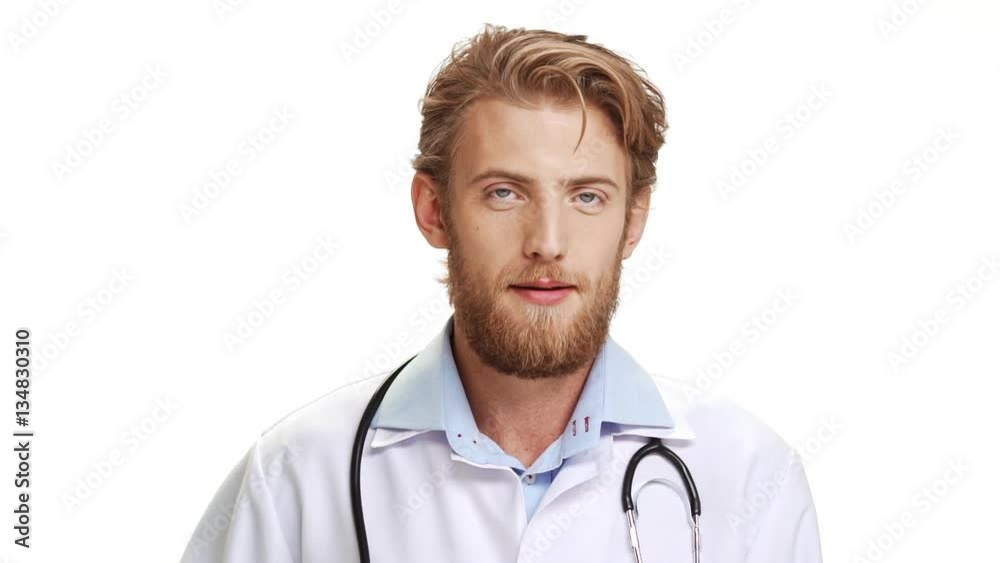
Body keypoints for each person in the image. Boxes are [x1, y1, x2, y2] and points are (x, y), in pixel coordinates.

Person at [180, 24, 823, 563]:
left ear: (633, 221)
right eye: (504, 193)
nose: (547, 243)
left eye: (587, 197)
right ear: (434, 211)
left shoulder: (751, 475)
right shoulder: (297, 475)